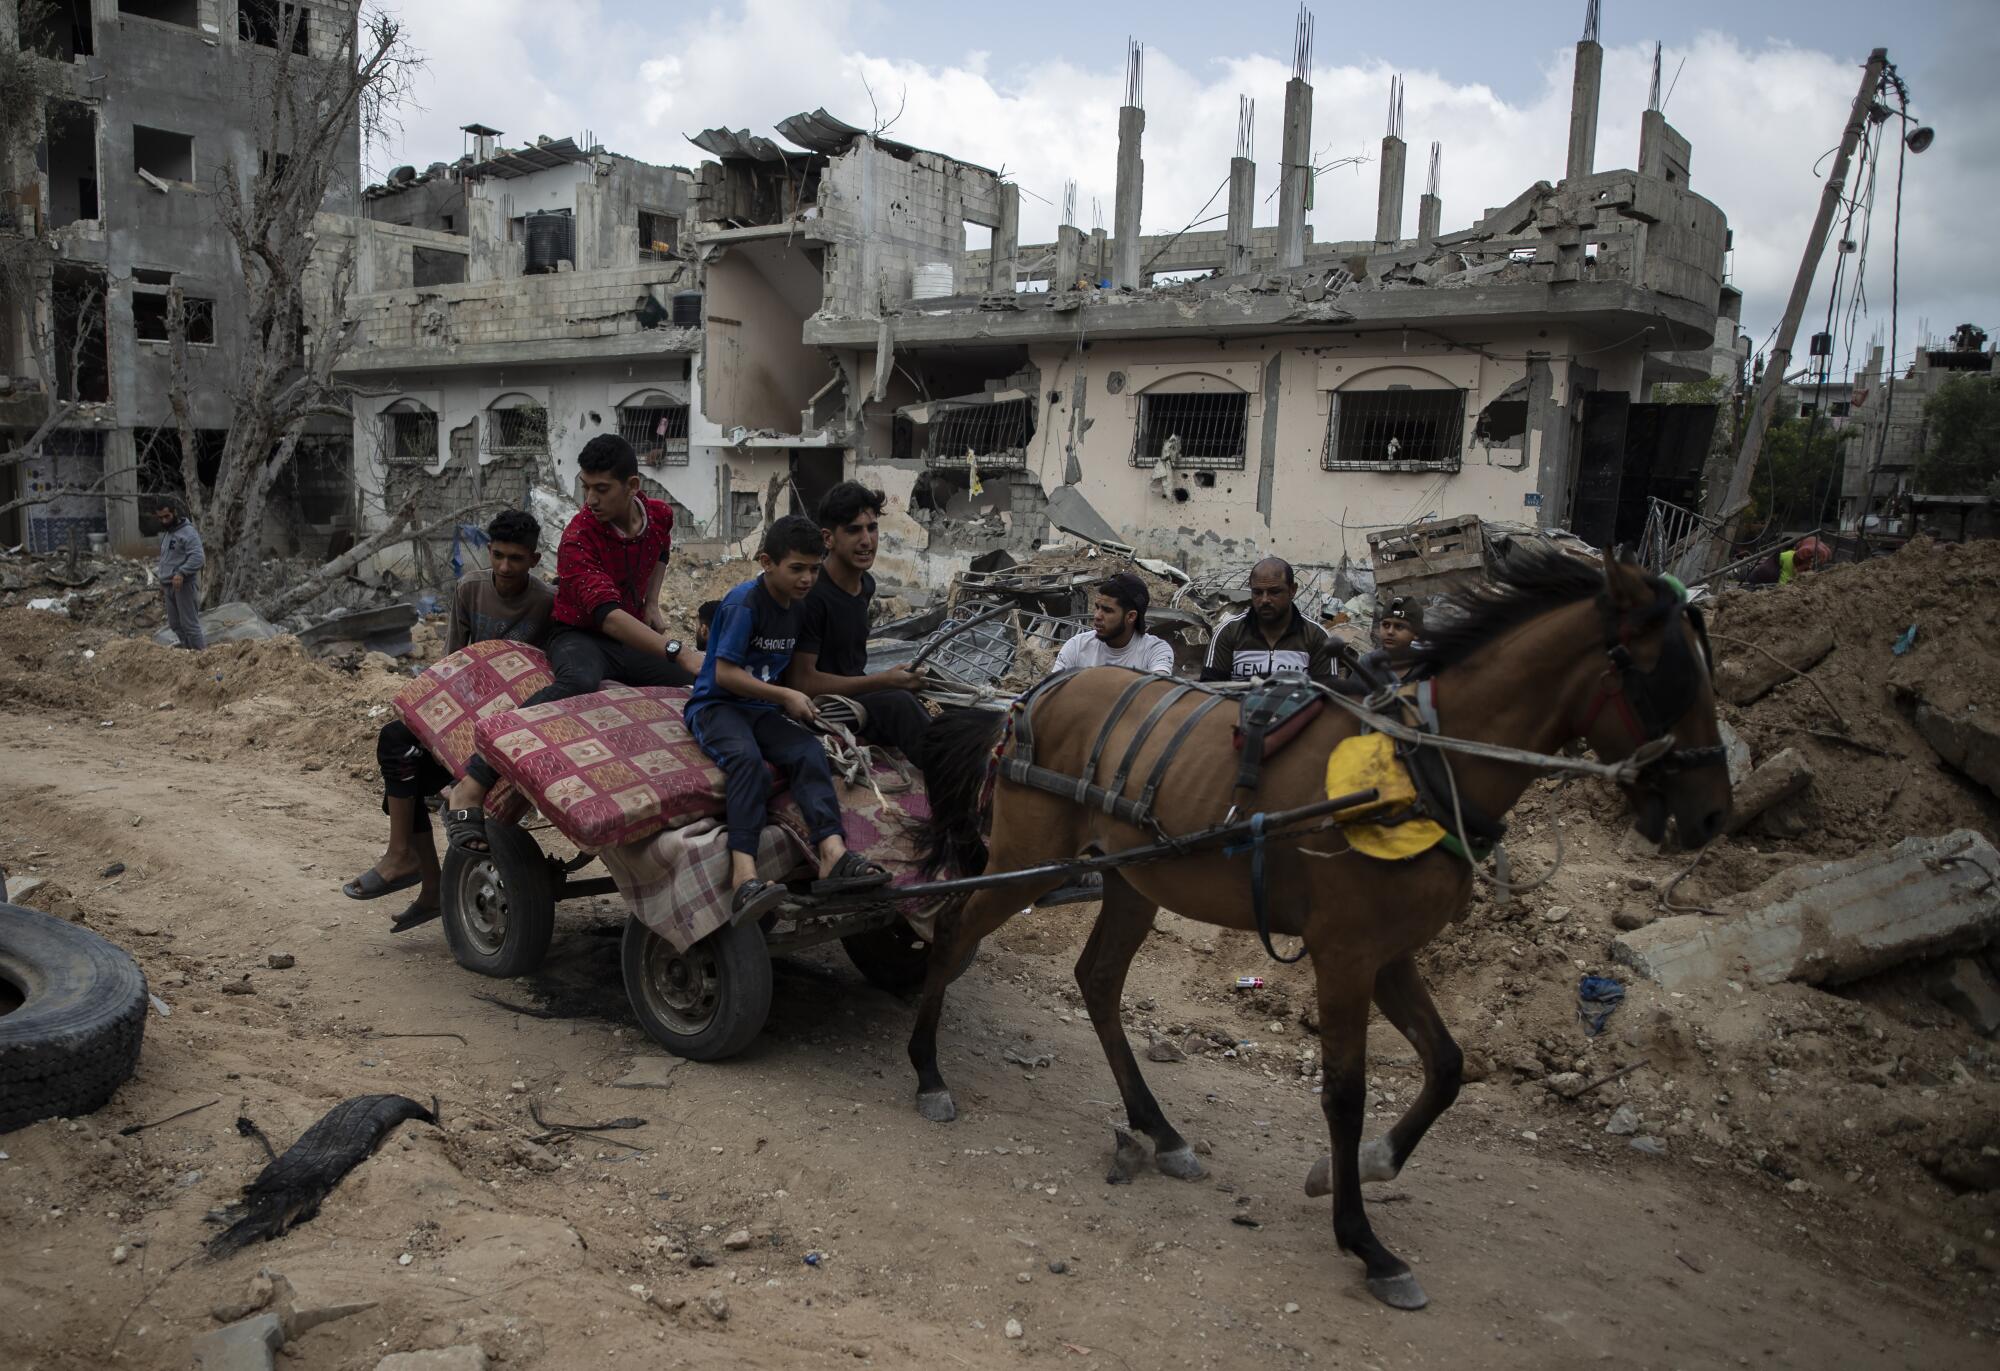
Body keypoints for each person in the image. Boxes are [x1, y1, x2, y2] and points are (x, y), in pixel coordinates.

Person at [444, 434, 701, 854]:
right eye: (586, 487)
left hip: (631, 632)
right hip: (581, 634)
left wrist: (653, 600)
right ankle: (471, 784)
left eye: (602, 489)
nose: (590, 499)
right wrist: (677, 649)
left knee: (694, 686)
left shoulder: (658, 515)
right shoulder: (579, 537)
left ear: (632, 487)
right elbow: (610, 619)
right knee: (578, 681)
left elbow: (662, 551)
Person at [344, 508, 555, 927]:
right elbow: (453, 663)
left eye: (515, 558)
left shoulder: (547, 601)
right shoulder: (470, 589)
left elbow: (545, 673)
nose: (504, 566)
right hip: (466, 708)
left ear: (533, 559)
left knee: (409, 773)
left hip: (516, 718)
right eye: (497, 555)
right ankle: (406, 860)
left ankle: (424, 880)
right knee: (398, 745)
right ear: (488, 552)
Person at [686, 515, 890, 919]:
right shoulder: (744, 604)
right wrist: (786, 695)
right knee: (747, 763)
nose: (807, 579)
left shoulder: (799, 608)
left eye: (814, 569)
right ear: (767, 562)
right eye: (796, 568)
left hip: (762, 710)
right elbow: (725, 674)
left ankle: (832, 852)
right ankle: (744, 876)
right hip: (718, 707)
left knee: (808, 753)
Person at [785, 481, 931, 760]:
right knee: (899, 703)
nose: (866, 540)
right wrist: (883, 680)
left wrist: (890, 679)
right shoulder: (812, 595)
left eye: (872, 528)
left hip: (854, 695)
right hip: (822, 707)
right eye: (853, 530)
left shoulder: (866, 585)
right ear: (828, 539)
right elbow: (802, 682)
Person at [1200, 557, 1337, 683]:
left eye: (1274, 592)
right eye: (1258, 592)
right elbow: (1209, 692)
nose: (1265, 600)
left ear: (1292, 590)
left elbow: (1328, 698)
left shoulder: (1316, 636)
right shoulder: (1228, 633)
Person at [1050, 571, 1177, 676]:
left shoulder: (1155, 650)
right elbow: (1052, 691)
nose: (1097, 616)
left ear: (1131, 616)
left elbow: (1158, 688)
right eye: (1097, 607)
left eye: (1107, 610)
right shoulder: (1077, 646)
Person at [154, 496, 206, 650]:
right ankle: (189, 652)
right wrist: (162, 581)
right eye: (160, 518)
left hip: (183, 585)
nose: (164, 521)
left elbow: (198, 557)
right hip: (169, 586)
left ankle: (202, 656)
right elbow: (168, 559)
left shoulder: (188, 532)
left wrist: (181, 573)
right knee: (175, 624)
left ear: (175, 512)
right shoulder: (169, 532)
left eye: (167, 516)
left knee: (190, 625)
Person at [1359, 596, 1423, 685]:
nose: (1390, 632)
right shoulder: (1367, 664)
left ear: (1416, 633)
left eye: (1399, 626)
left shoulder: (1426, 667)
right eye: (1386, 625)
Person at [1748, 536, 1831, 587]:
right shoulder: (1789, 564)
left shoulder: (1793, 555)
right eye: (1809, 559)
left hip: (1763, 572)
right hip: (1759, 579)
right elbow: (1783, 585)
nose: (1810, 563)